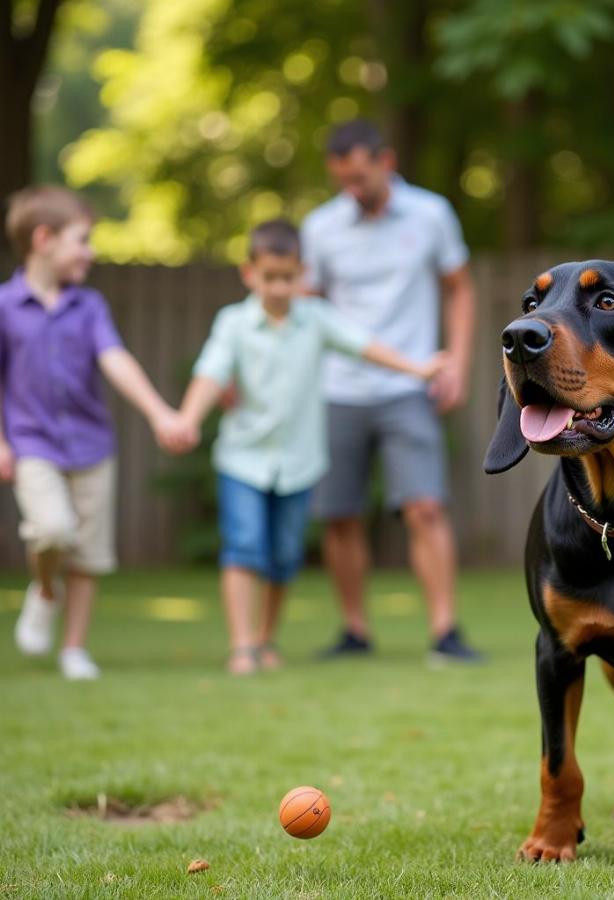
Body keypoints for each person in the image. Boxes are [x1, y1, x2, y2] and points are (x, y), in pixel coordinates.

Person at [178, 219, 445, 675]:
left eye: (288, 278)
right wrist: (187, 419)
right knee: (244, 547)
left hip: (300, 463)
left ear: (301, 274)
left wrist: (417, 370)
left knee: (283, 558)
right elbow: (211, 374)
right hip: (243, 458)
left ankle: (265, 639)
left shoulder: (315, 320)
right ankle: (242, 646)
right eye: (269, 278)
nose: (279, 288)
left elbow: (365, 346)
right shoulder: (234, 323)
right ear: (250, 274)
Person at [301, 119, 481, 664]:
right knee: (340, 513)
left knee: (425, 506)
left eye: (359, 176)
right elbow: (307, 308)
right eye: (341, 180)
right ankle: (355, 630)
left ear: (386, 161)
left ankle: (445, 632)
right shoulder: (321, 227)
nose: (351, 189)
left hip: (410, 384)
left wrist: (459, 364)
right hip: (338, 388)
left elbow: (460, 289)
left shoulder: (430, 215)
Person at [0, 185, 192, 680]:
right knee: (51, 529)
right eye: (81, 240)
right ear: (44, 239)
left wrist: (158, 413)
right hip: (32, 442)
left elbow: (116, 360)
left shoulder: (89, 308)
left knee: (88, 553)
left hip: (91, 445)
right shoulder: (5, 307)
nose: (89, 252)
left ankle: (74, 649)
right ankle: (45, 590)